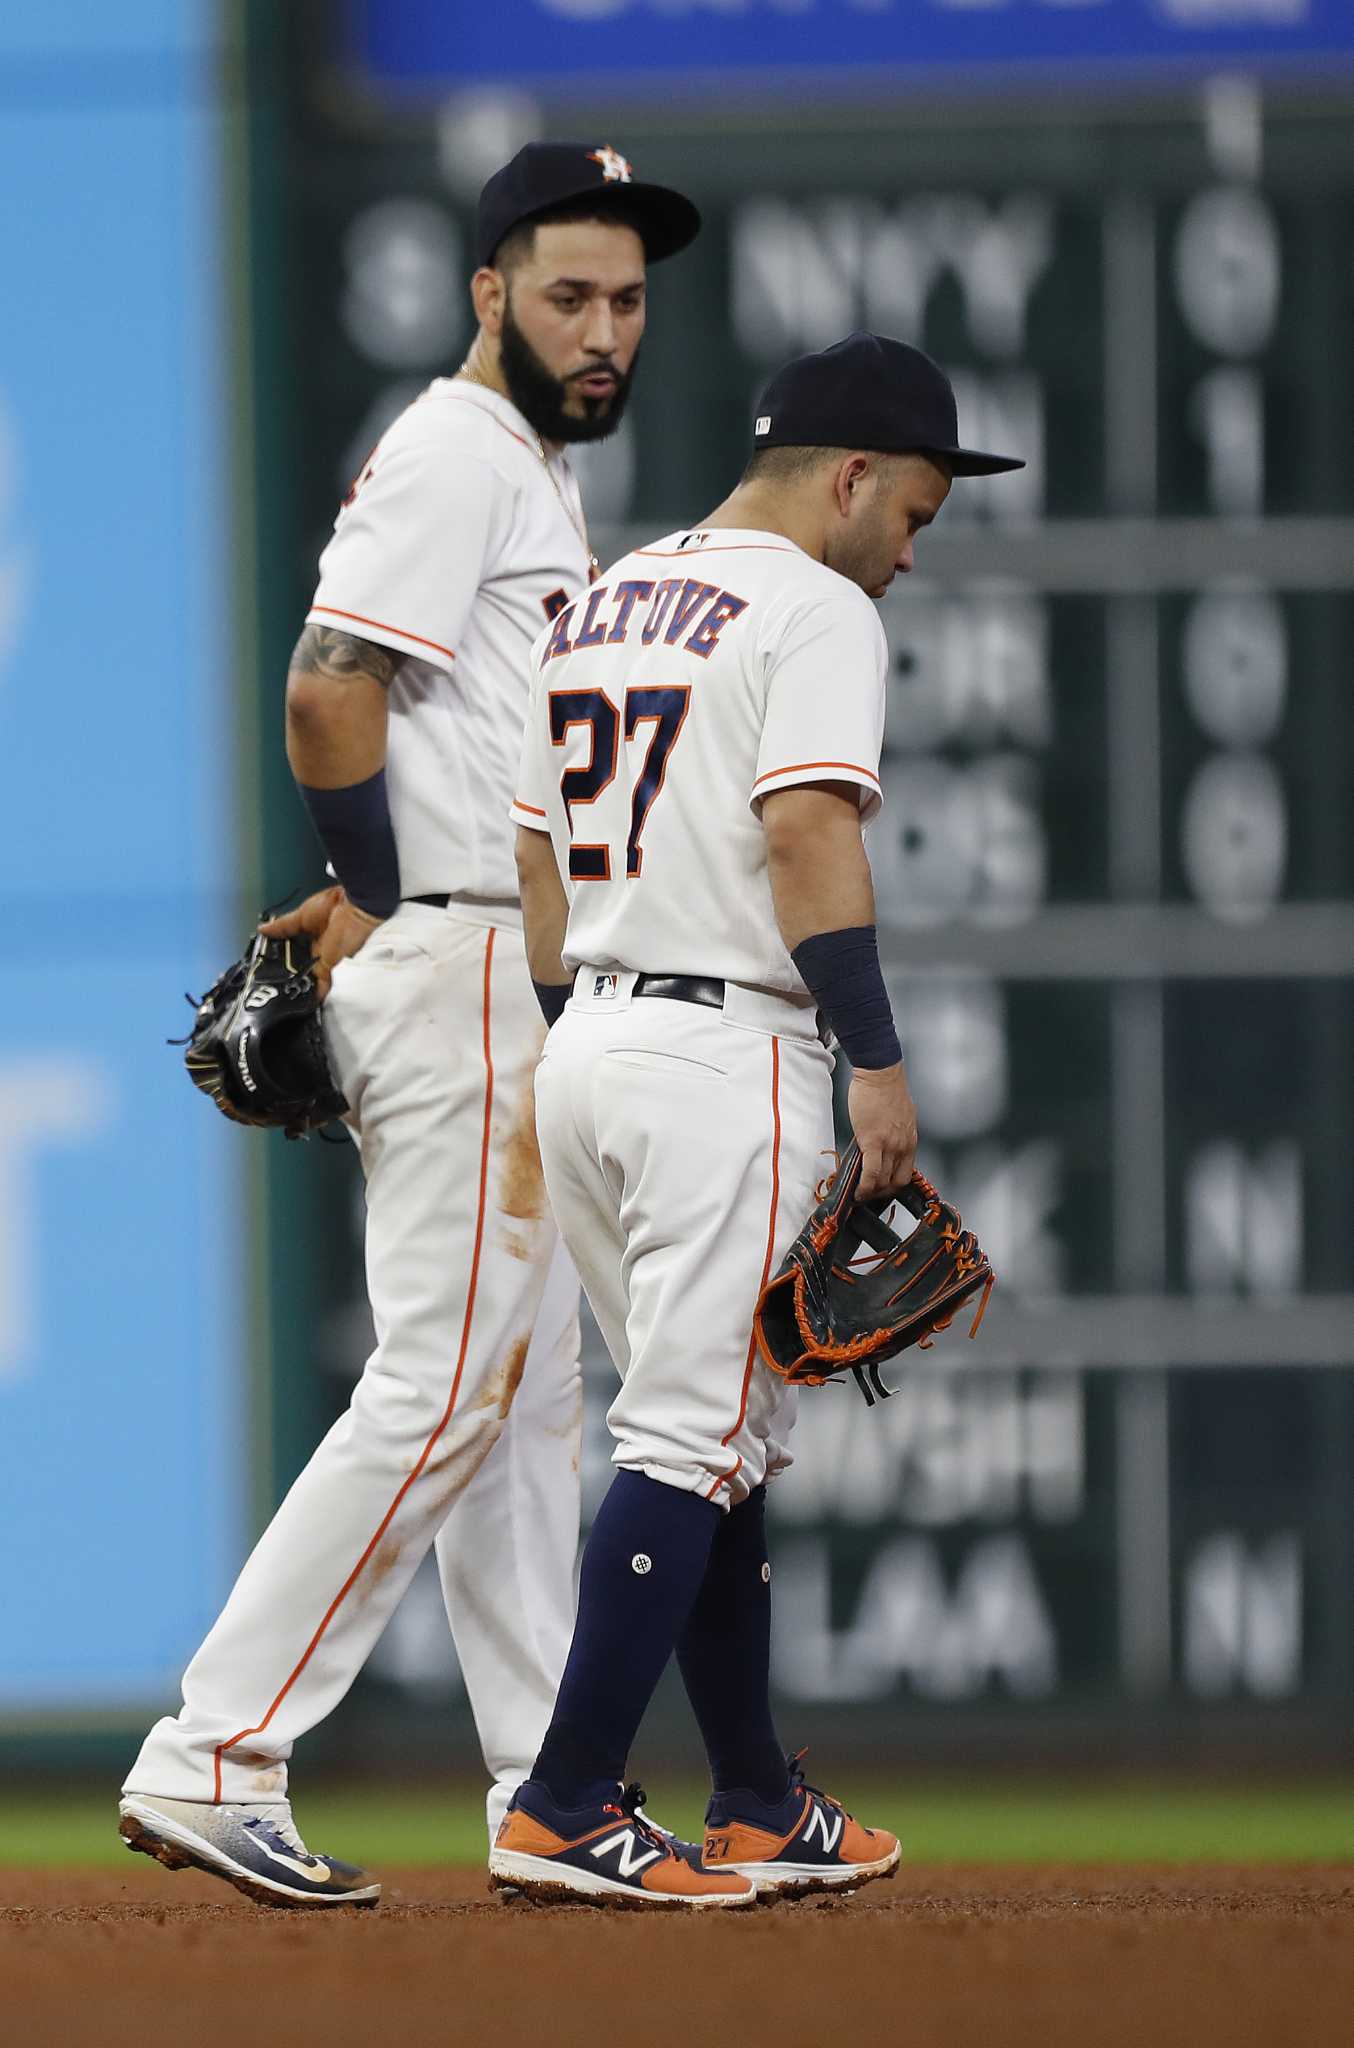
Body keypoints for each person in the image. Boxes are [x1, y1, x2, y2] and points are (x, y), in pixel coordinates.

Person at [116, 143, 701, 1910]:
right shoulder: (459, 450)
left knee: (524, 1408)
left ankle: (552, 1793)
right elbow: (326, 685)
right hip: (453, 963)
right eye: (566, 295)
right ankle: (217, 1750)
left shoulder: (512, 465)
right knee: (445, 1389)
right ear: (486, 294)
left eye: (625, 303)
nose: (601, 331)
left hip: (487, 954)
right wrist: (371, 883)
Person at [489, 332, 1024, 1909]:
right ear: (849, 475)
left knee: (712, 1432)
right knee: (690, 1433)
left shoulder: (603, 599)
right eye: (914, 513)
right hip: (731, 1058)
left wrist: (585, 1039)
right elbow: (804, 833)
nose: (912, 549)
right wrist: (872, 1058)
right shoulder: (814, 605)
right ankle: (567, 1799)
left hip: (586, 1039)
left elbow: (537, 869)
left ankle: (754, 1800)